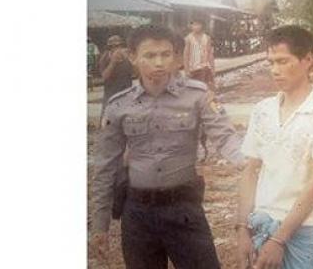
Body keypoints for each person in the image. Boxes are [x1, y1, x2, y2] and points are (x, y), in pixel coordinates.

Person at [90, 24, 244, 269]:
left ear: (176, 56)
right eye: (150, 55)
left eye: (165, 54)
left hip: (184, 211)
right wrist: (100, 225)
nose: (159, 63)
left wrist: (250, 162)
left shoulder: (197, 95)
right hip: (138, 215)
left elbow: (226, 138)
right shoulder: (119, 106)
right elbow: (105, 166)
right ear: (133, 57)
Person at [235, 25, 313, 269]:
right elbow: (250, 171)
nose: (275, 70)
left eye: (283, 61)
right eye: (271, 63)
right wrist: (242, 228)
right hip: (261, 220)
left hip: (302, 227)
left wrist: (279, 239)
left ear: (308, 60)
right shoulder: (263, 110)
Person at [98, 35, 134, 114]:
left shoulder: (127, 57)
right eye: (112, 46)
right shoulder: (105, 58)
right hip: (111, 93)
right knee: (108, 116)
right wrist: (113, 62)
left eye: (118, 46)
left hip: (126, 92)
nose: (116, 48)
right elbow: (104, 76)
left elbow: (135, 73)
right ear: (109, 48)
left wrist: (130, 60)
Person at [184, 19, 216, 91]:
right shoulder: (188, 38)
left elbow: (210, 54)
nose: (196, 27)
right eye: (194, 25)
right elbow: (186, 55)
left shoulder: (207, 38)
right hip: (194, 69)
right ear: (191, 26)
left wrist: (213, 68)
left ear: (202, 25)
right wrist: (186, 70)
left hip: (206, 67)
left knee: (209, 88)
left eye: (198, 24)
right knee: (196, 90)